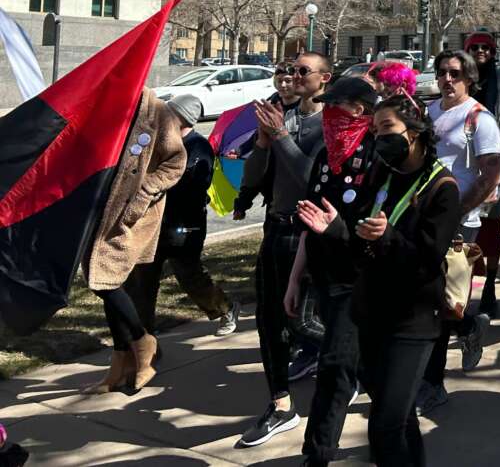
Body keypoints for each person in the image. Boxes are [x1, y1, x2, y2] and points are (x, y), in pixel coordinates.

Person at [321, 94, 459, 467]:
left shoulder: (442, 188)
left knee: (384, 425)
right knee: (395, 417)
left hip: (412, 320)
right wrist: (336, 229)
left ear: (413, 131)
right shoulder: (382, 175)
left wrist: (386, 236)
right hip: (371, 314)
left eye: (386, 129)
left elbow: (427, 260)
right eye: (375, 130)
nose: (379, 140)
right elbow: (359, 241)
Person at [237, 53, 330, 449]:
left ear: (324, 78)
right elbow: (256, 176)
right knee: (268, 321)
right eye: (290, 70)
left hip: (308, 233)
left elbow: (314, 180)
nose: (292, 77)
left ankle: (360, 361)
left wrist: (280, 138)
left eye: (302, 71)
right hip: (275, 228)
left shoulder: (331, 124)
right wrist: (262, 142)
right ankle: (280, 405)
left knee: (302, 322)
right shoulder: (282, 118)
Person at [290, 76, 379, 467]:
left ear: (359, 110)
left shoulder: (380, 156)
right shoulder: (327, 158)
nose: (327, 115)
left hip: (363, 279)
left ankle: (317, 453)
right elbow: (311, 221)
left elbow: (382, 231)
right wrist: (296, 278)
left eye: (334, 107)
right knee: (365, 366)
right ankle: (396, 420)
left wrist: (340, 231)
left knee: (335, 365)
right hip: (326, 276)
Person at [82, 88, 185, 394]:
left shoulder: (158, 111)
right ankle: (120, 362)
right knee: (103, 279)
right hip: (100, 210)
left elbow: (175, 163)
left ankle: (142, 343)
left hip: (132, 215)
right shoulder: (103, 107)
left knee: (107, 281)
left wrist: (141, 195)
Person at [416, 50, 500, 414]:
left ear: (469, 78)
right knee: (430, 300)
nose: (447, 79)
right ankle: (469, 326)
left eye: (454, 73)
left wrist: (458, 211)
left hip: (458, 226)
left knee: (439, 304)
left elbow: (491, 174)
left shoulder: (479, 119)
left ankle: (433, 385)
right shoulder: (429, 113)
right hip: (422, 218)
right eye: (441, 73)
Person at [126, 94, 238, 340]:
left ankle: (224, 307)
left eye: (169, 113)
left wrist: (157, 183)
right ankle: (144, 338)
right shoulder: (160, 141)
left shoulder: (198, 147)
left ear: (181, 119)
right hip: (154, 224)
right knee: (142, 280)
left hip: (185, 227)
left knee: (190, 277)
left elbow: (190, 186)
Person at [463, 30, 500, 318]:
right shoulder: (461, 82)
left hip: (493, 167)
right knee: (462, 234)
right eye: (473, 47)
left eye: (485, 47)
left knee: (491, 232)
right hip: (462, 168)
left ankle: (490, 286)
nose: (479, 51)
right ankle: (460, 290)